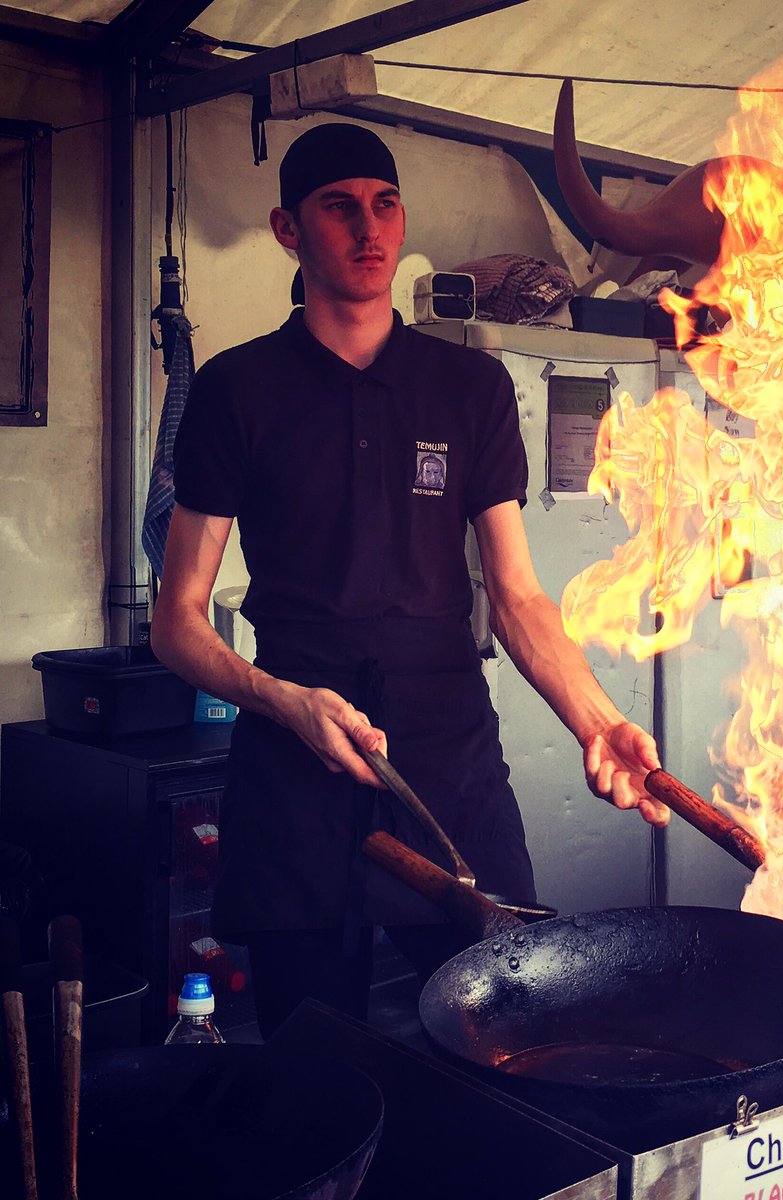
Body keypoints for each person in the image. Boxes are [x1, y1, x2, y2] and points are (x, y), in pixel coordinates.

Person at [151, 122, 669, 1038]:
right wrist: (282, 702)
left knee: (512, 1029)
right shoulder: (240, 390)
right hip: (296, 751)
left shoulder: (469, 388)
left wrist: (600, 723)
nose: (369, 228)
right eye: (339, 207)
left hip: (446, 746)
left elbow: (516, 597)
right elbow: (178, 621)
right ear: (287, 230)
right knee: (315, 1056)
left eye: (385, 204)